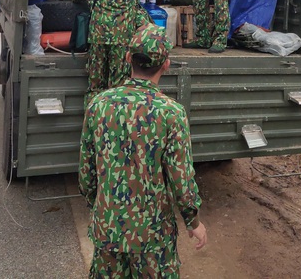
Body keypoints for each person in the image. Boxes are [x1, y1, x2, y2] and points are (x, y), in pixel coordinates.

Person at [79, 24, 207, 277]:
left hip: (108, 229)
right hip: (153, 237)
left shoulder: (99, 105)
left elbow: (86, 172)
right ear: (166, 64)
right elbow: (181, 178)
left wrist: (101, 209)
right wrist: (193, 221)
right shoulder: (171, 112)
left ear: (128, 58)